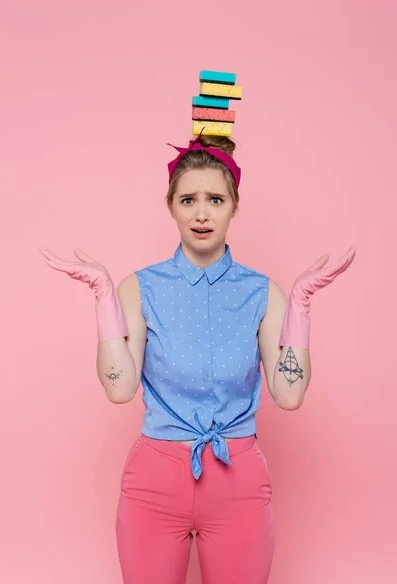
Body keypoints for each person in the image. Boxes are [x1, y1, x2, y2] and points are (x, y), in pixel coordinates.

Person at [39, 130, 356, 584]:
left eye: (215, 200)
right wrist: (104, 296)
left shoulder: (263, 292)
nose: (202, 213)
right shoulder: (139, 287)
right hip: (153, 483)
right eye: (188, 200)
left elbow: (288, 395)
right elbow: (119, 387)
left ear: (234, 207)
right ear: (171, 206)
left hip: (237, 482)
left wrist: (301, 304)